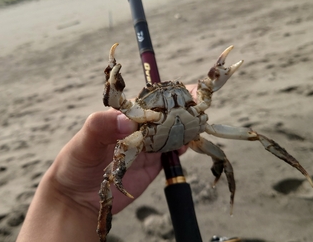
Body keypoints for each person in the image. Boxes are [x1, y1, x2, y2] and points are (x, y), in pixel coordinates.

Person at [16, 85, 196, 241]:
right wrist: (71, 198)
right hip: (145, 147)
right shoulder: (134, 133)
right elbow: (124, 112)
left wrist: (69, 199)